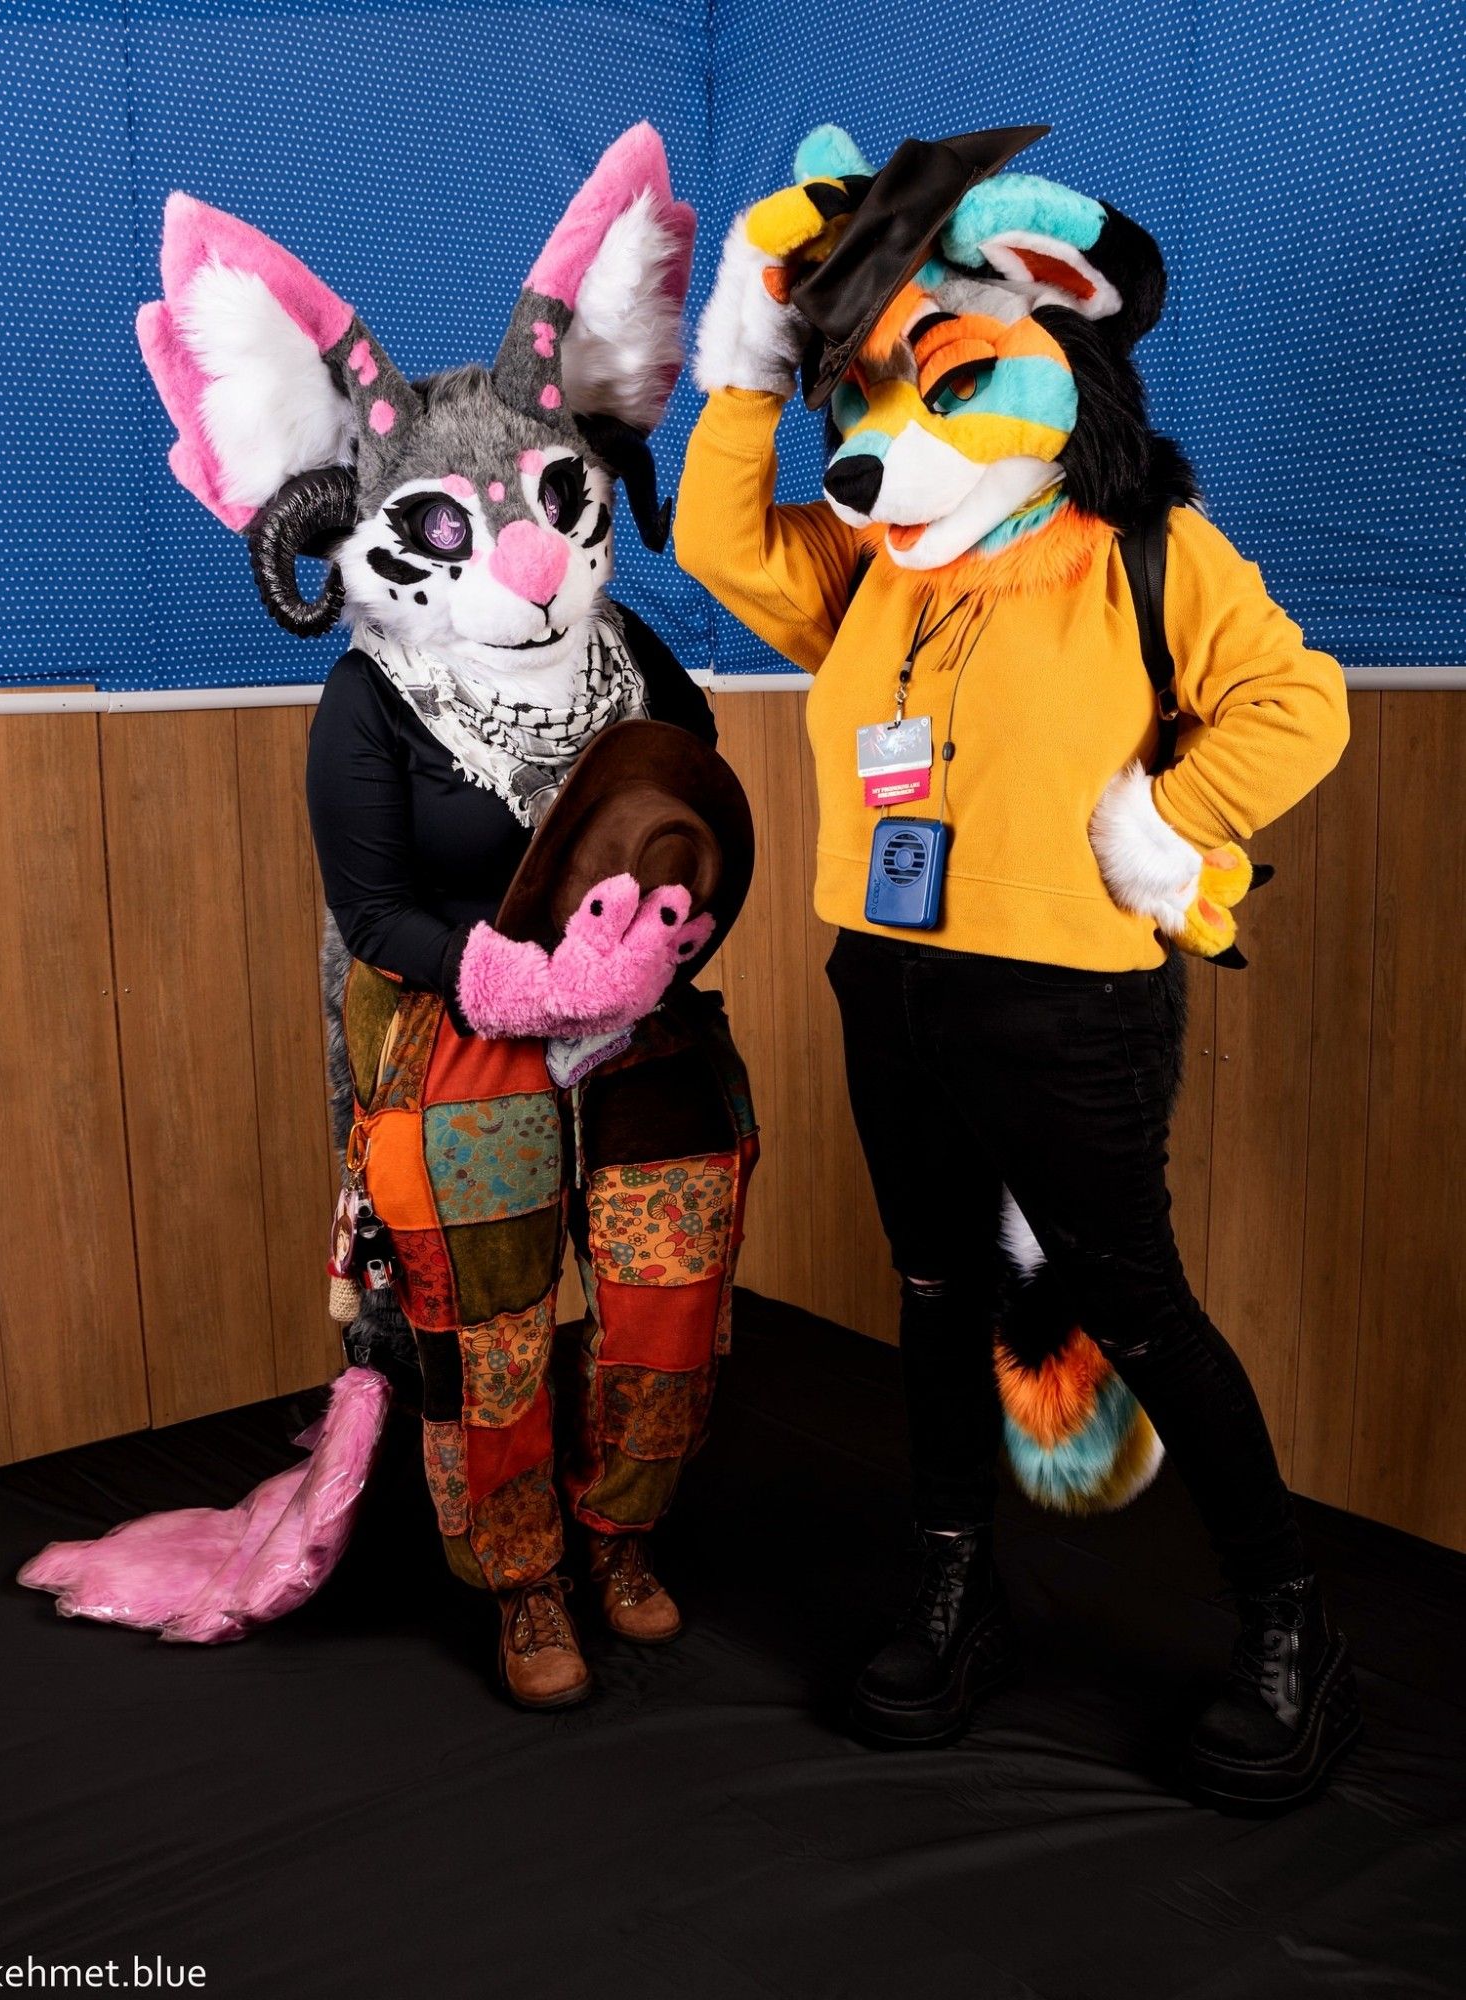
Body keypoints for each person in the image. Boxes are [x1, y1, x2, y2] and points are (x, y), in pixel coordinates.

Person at [675, 123, 1357, 1807]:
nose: (884, 449)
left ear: (1054, 356)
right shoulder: (872, 569)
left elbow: (1300, 700)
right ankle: (960, 1582)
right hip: (890, 981)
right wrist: (755, 372)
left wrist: (1169, 821)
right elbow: (714, 541)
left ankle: (1288, 1622)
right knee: (933, 1288)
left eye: (946, 388)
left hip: (1071, 1000)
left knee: (1133, 1299)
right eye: (873, 404)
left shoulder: (1138, 549)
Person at [132, 125, 757, 1707]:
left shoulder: (643, 673)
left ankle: (623, 1531)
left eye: (551, 500)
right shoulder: (369, 705)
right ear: (359, 534)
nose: (533, 557)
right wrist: (527, 977)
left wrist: (665, 941)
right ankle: (524, 1576)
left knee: (670, 1294)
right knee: (485, 1331)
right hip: (457, 1040)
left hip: (650, 1032)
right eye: (451, 525)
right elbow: (376, 911)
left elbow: (701, 827)